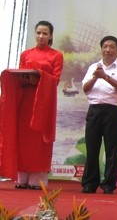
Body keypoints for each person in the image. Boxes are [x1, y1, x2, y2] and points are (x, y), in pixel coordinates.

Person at [0, 20, 63, 190]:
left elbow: (55, 80)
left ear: (50, 36)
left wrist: (40, 77)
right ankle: (21, 178)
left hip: (43, 101)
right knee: (23, 137)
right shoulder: (26, 54)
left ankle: (37, 180)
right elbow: (20, 74)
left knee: (39, 138)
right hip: (26, 100)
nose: (41, 36)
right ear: (35, 34)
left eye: (45, 33)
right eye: (38, 33)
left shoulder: (56, 55)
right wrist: (25, 78)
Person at [80, 36, 117, 194]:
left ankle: (109, 184)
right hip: (94, 111)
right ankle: (89, 183)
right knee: (92, 148)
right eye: (105, 46)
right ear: (101, 48)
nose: (108, 50)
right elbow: (86, 88)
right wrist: (97, 76)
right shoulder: (93, 67)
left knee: (112, 149)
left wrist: (106, 77)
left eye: (112, 47)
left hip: (113, 111)